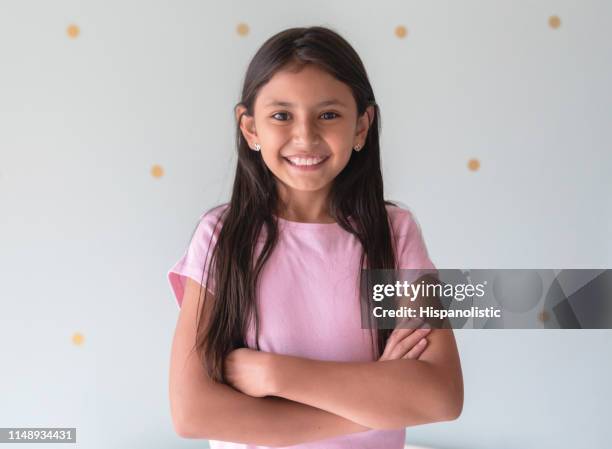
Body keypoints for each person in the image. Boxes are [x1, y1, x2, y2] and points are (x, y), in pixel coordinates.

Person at [167, 25, 463, 449]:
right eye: (281, 115)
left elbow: (441, 395)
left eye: (328, 115)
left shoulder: (394, 234)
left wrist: (275, 374)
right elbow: (193, 412)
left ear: (362, 126)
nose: (305, 136)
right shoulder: (222, 237)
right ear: (249, 128)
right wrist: (376, 403)